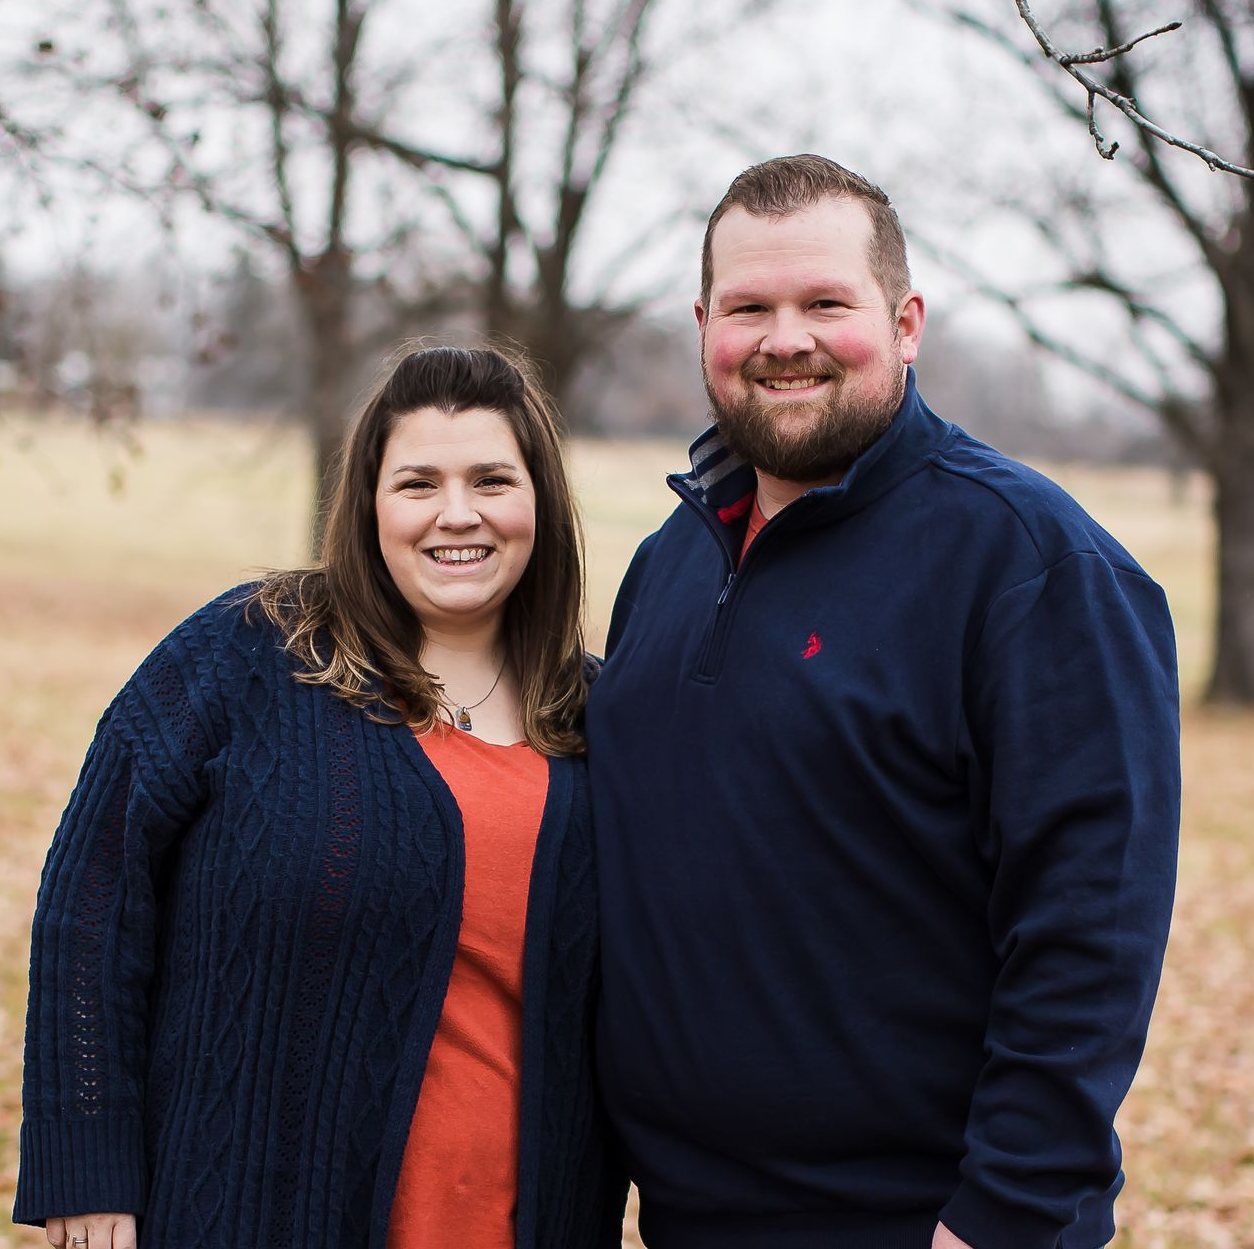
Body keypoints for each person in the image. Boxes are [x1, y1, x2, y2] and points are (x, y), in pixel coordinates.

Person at [586, 155, 1180, 1249]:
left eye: (825, 303)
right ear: (703, 324)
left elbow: (1089, 938)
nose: (785, 338)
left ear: (906, 322)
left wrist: (999, 1218)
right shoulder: (667, 562)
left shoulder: (1032, 566)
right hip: (684, 1217)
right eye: (749, 307)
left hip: (922, 1224)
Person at [15, 344, 625, 1249]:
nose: (458, 513)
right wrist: (86, 1163)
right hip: (241, 1214)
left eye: (493, 479)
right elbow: (94, 894)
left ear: (540, 501)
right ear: (370, 504)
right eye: (418, 482)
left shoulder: (602, 721)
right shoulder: (246, 654)